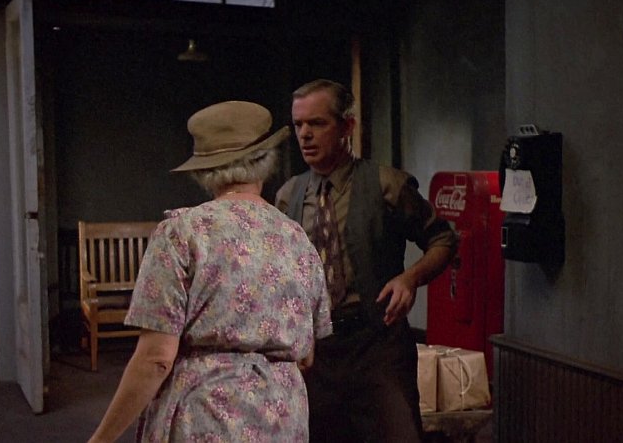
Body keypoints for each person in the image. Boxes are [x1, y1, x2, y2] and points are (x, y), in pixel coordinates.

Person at [88, 101, 332, 443]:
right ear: (265, 163)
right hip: (283, 418)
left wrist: (100, 440)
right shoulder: (296, 238)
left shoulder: (182, 233)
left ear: (205, 170)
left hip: (206, 416)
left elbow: (156, 358)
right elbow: (306, 355)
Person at [275, 79, 458, 442]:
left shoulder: (387, 185)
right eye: (299, 125)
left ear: (347, 126)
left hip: (377, 345)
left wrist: (410, 278)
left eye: (317, 123)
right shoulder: (289, 196)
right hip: (317, 352)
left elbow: (443, 239)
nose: (305, 135)